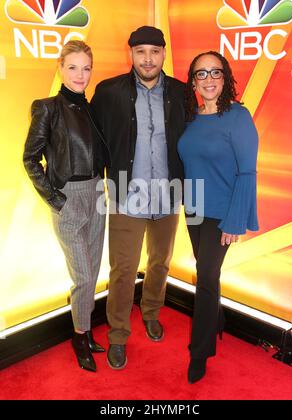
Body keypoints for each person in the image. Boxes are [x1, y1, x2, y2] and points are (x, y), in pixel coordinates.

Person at [91, 26, 186, 369]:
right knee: (123, 270)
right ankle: (117, 334)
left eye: (154, 51)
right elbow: (95, 141)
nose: (148, 58)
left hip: (168, 195)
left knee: (160, 262)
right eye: (141, 51)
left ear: (163, 54)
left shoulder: (180, 91)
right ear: (130, 53)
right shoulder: (108, 92)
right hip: (125, 197)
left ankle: (151, 312)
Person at [23, 40, 110, 373]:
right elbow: (30, 159)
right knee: (84, 275)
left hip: (99, 193)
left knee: (92, 273)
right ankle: (78, 336)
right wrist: (57, 200)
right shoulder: (46, 108)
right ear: (60, 68)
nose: (81, 75)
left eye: (86, 68)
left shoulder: (92, 108)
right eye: (73, 67)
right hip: (69, 197)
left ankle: (85, 332)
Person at [177, 51, 259, 383]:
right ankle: (218, 320)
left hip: (222, 212)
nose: (208, 79)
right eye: (201, 73)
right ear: (193, 80)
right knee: (208, 274)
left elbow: (247, 171)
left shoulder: (238, 116)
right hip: (194, 207)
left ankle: (200, 352)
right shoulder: (191, 116)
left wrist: (236, 219)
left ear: (225, 78)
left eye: (215, 72)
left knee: (206, 277)